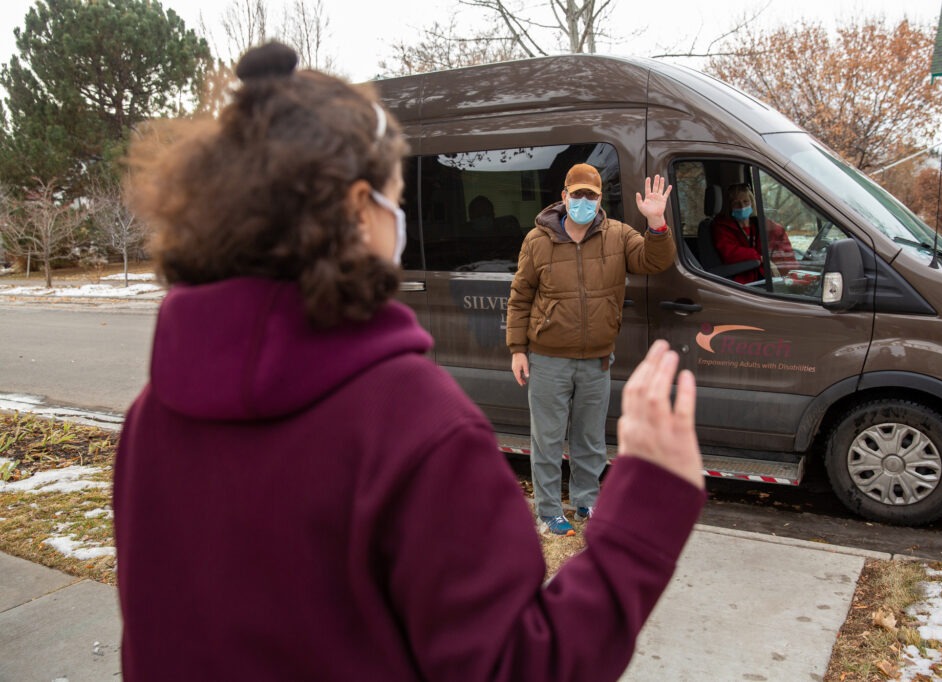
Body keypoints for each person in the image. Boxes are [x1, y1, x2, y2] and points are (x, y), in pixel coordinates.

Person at [113, 42, 706, 680]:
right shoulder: (415, 426)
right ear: (358, 209)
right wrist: (648, 504)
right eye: (395, 197)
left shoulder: (150, 420)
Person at [507, 163, 678, 536]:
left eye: (592, 195)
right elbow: (520, 297)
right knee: (548, 440)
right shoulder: (537, 240)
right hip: (548, 358)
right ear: (564, 197)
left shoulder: (617, 235)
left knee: (589, 439)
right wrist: (518, 349)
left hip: (596, 359)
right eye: (578, 194)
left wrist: (657, 223)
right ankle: (549, 510)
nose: (584, 201)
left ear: (601, 200)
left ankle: (587, 501)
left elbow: (654, 260)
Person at [711, 182, 798, 284]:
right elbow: (730, 253)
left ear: (752, 203)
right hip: (743, 280)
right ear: (730, 207)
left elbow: (781, 246)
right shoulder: (721, 227)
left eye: (746, 202)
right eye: (736, 203)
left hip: (766, 277)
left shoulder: (759, 224)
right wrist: (761, 258)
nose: (742, 206)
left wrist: (792, 274)